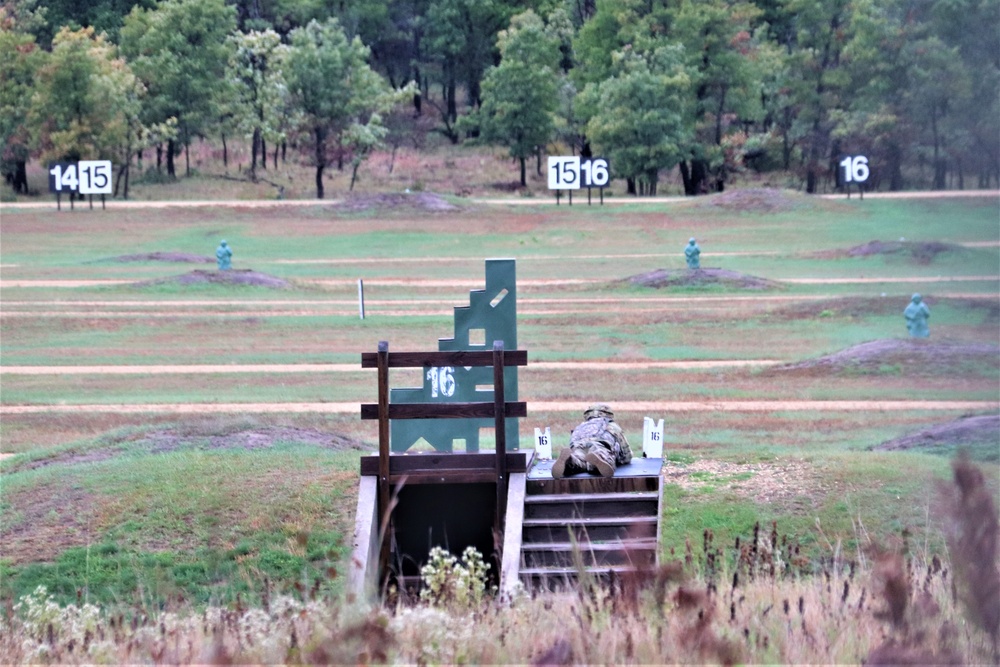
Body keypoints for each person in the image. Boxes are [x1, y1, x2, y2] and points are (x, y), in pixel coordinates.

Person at [551, 403, 632, 479]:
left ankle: (569, 461)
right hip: (599, 444)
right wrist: (625, 460)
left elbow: (572, 441)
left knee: (578, 459)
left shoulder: (582, 426)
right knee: (602, 455)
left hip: (579, 445)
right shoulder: (611, 425)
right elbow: (625, 452)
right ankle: (595, 462)